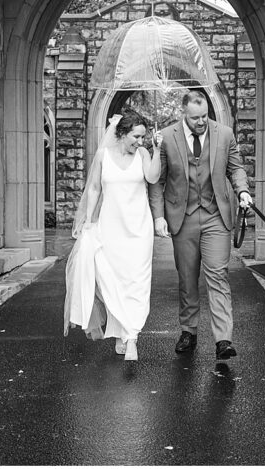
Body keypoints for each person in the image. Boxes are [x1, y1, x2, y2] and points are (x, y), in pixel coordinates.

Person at [149, 91, 252, 360]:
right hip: (182, 217)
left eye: (205, 116)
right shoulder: (168, 138)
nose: (201, 121)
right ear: (184, 114)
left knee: (218, 274)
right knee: (187, 277)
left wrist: (242, 191)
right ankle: (188, 331)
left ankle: (223, 340)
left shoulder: (225, 134)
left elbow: (236, 168)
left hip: (216, 215)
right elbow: (158, 181)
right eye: (195, 118)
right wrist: (158, 216)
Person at [63, 110, 162, 361]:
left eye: (143, 137)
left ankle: (132, 337)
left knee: (137, 283)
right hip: (110, 227)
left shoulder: (143, 153)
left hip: (139, 229)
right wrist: (88, 220)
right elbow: (94, 188)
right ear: (121, 133)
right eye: (136, 136)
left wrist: (157, 149)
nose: (140, 141)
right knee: (113, 281)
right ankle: (122, 330)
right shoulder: (103, 155)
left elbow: (152, 177)